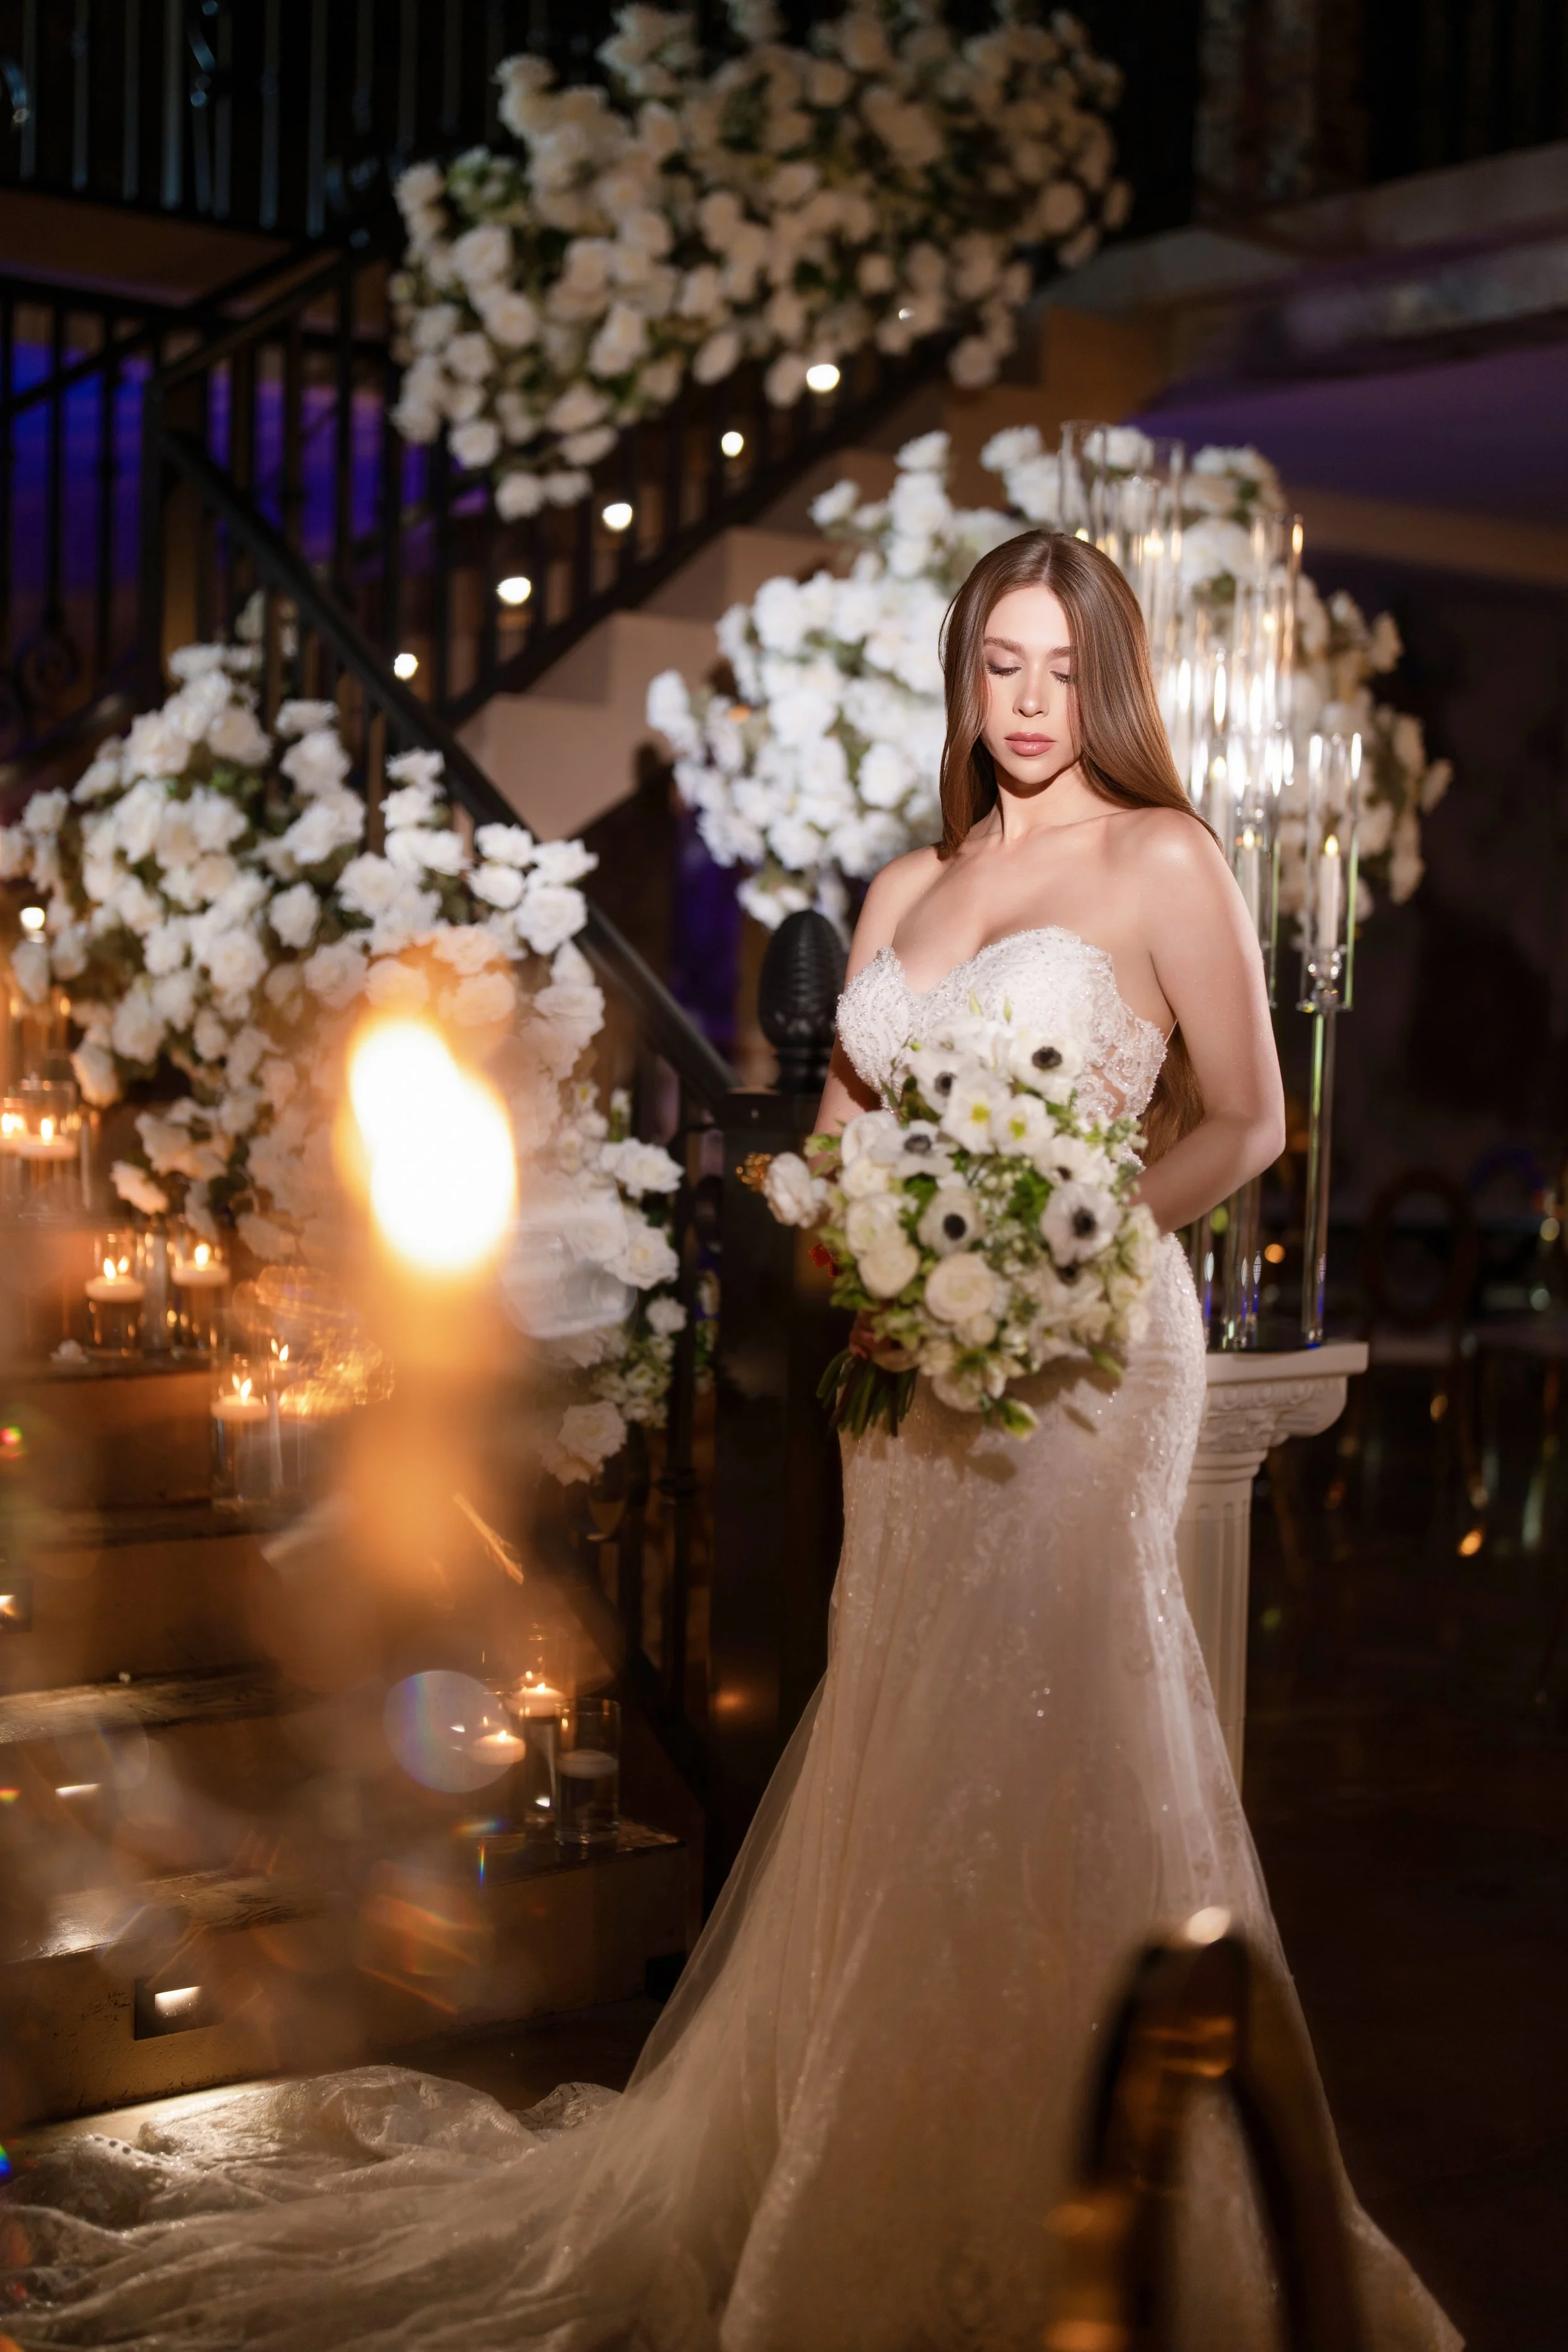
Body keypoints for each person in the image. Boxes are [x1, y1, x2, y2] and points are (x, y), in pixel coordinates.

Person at [4, 533, 1458, 2351]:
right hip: (908, 1365)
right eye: (992, 668)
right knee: (899, 1718)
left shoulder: (1165, 860)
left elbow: (1242, 1118)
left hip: (1086, 1359)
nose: (1021, 706)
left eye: (1053, 671)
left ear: (1107, 680)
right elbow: (839, 1130)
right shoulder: (907, 885)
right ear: (961, 680)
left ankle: (1098, 2160)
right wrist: (880, 1252)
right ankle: (873, 2133)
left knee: (1062, 1710)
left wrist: (1064, 1256)